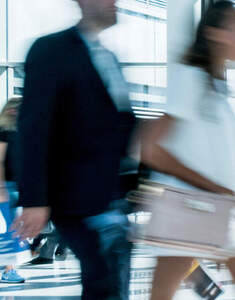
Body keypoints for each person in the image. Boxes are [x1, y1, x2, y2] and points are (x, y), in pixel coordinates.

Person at [140, 2, 235, 298]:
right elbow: (152, 148)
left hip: (217, 212)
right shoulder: (191, 78)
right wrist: (213, 187)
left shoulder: (216, 85)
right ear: (213, 33)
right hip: (192, 211)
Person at [12, 0, 137, 298]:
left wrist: (136, 187)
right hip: (74, 197)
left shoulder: (109, 58)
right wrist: (34, 200)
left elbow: (121, 131)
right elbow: (33, 127)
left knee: (112, 281)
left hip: (111, 198)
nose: (115, 3)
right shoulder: (51, 50)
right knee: (105, 279)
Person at [0, 98, 24, 283]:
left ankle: (9, 269)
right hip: (6, 187)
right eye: (12, 107)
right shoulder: (3, 132)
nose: (14, 110)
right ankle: (8, 271)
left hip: (16, 188)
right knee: (10, 232)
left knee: (13, 231)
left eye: (18, 107)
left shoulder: (20, 133)